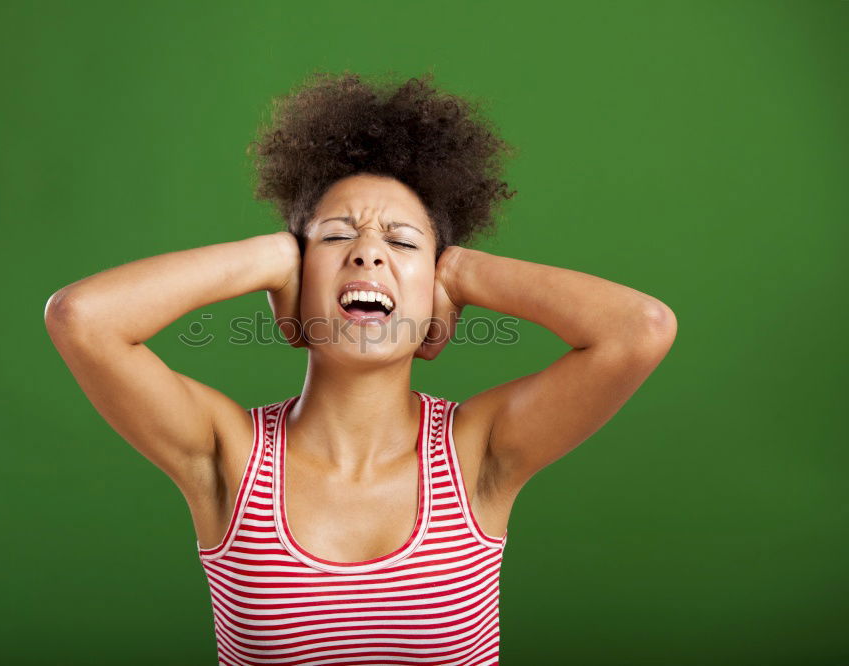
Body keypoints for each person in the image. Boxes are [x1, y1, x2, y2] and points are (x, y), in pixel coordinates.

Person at [44, 71, 677, 665]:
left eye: (402, 243)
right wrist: (272, 258)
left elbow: (639, 330)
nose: (369, 254)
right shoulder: (228, 453)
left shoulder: (478, 452)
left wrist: (455, 273)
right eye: (336, 238)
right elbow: (83, 318)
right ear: (293, 282)